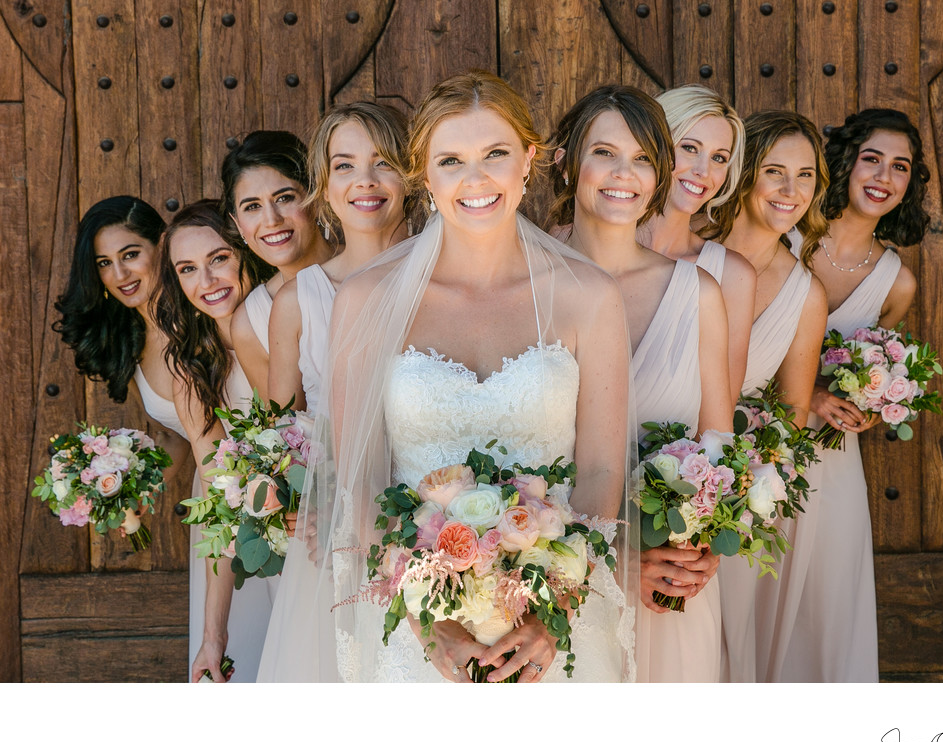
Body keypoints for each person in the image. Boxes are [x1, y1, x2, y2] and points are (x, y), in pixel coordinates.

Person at [258, 70, 636, 683]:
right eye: (451, 160)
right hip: (419, 630)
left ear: (529, 161)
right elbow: (362, 474)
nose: (476, 179)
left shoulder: (589, 296)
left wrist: (550, 615)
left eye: (495, 154)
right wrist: (430, 622)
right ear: (423, 175)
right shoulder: (367, 297)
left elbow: (599, 470)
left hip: (555, 630)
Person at [548, 85, 732, 682]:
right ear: (566, 161)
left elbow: (717, 446)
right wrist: (613, 558)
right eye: (604, 152)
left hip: (669, 590)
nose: (624, 174)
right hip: (552, 586)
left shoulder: (700, 295)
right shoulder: (526, 286)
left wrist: (702, 548)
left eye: (644, 158)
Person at [760, 108, 928, 682]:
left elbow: (872, 374)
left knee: (826, 601)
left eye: (900, 166)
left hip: (830, 464)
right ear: (847, 163)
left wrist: (872, 401)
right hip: (754, 447)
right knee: (754, 590)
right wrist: (802, 401)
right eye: (872, 158)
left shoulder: (896, 282)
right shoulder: (786, 236)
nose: (884, 175)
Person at [701, 111, 830, 681]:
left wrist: (747, 482)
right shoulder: (689, 247)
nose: (790, 190)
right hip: (642, 454)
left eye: (805, 176)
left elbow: (794, 412)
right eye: (774, 171)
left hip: (728, 488)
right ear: (744, 174)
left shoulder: (806, 293)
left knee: (721, 636)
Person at [154, 200, 276, 682]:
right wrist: (213, 637)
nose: (206, 282)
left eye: (218, 258)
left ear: (245, 251)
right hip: (257, 540)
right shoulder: (190, 371)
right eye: (187, 269)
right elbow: (223, 500)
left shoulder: (286, 324)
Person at [53, 197, 191, 540]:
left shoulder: (204, 317)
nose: (119, 275)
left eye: (130, 254)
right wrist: (126, 495)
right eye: (104, 262)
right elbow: (174, 436)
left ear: (162, 245)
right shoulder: (127, 347)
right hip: (217, 500)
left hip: (266, 485)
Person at [268, 103, 413, 413]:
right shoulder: (297, 301)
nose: (365, 180)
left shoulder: (447, 274)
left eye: (383, 162)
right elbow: (279, 436)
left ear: (410, 176)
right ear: (324, 186)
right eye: (344, 166)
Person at [638, 85, 755, 403]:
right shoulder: (572, 240)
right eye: (690, 148)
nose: (704, 171)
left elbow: (720, 417)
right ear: (654, 143)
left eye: (719, 158)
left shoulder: (732, 275)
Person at [222, 131, 336, 397]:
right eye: (252, 207)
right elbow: (285, 431)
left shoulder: (372, 265)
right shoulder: (250, 323)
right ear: (238, 223)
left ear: (315, 197)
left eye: (284, 198)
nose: (271, 219)